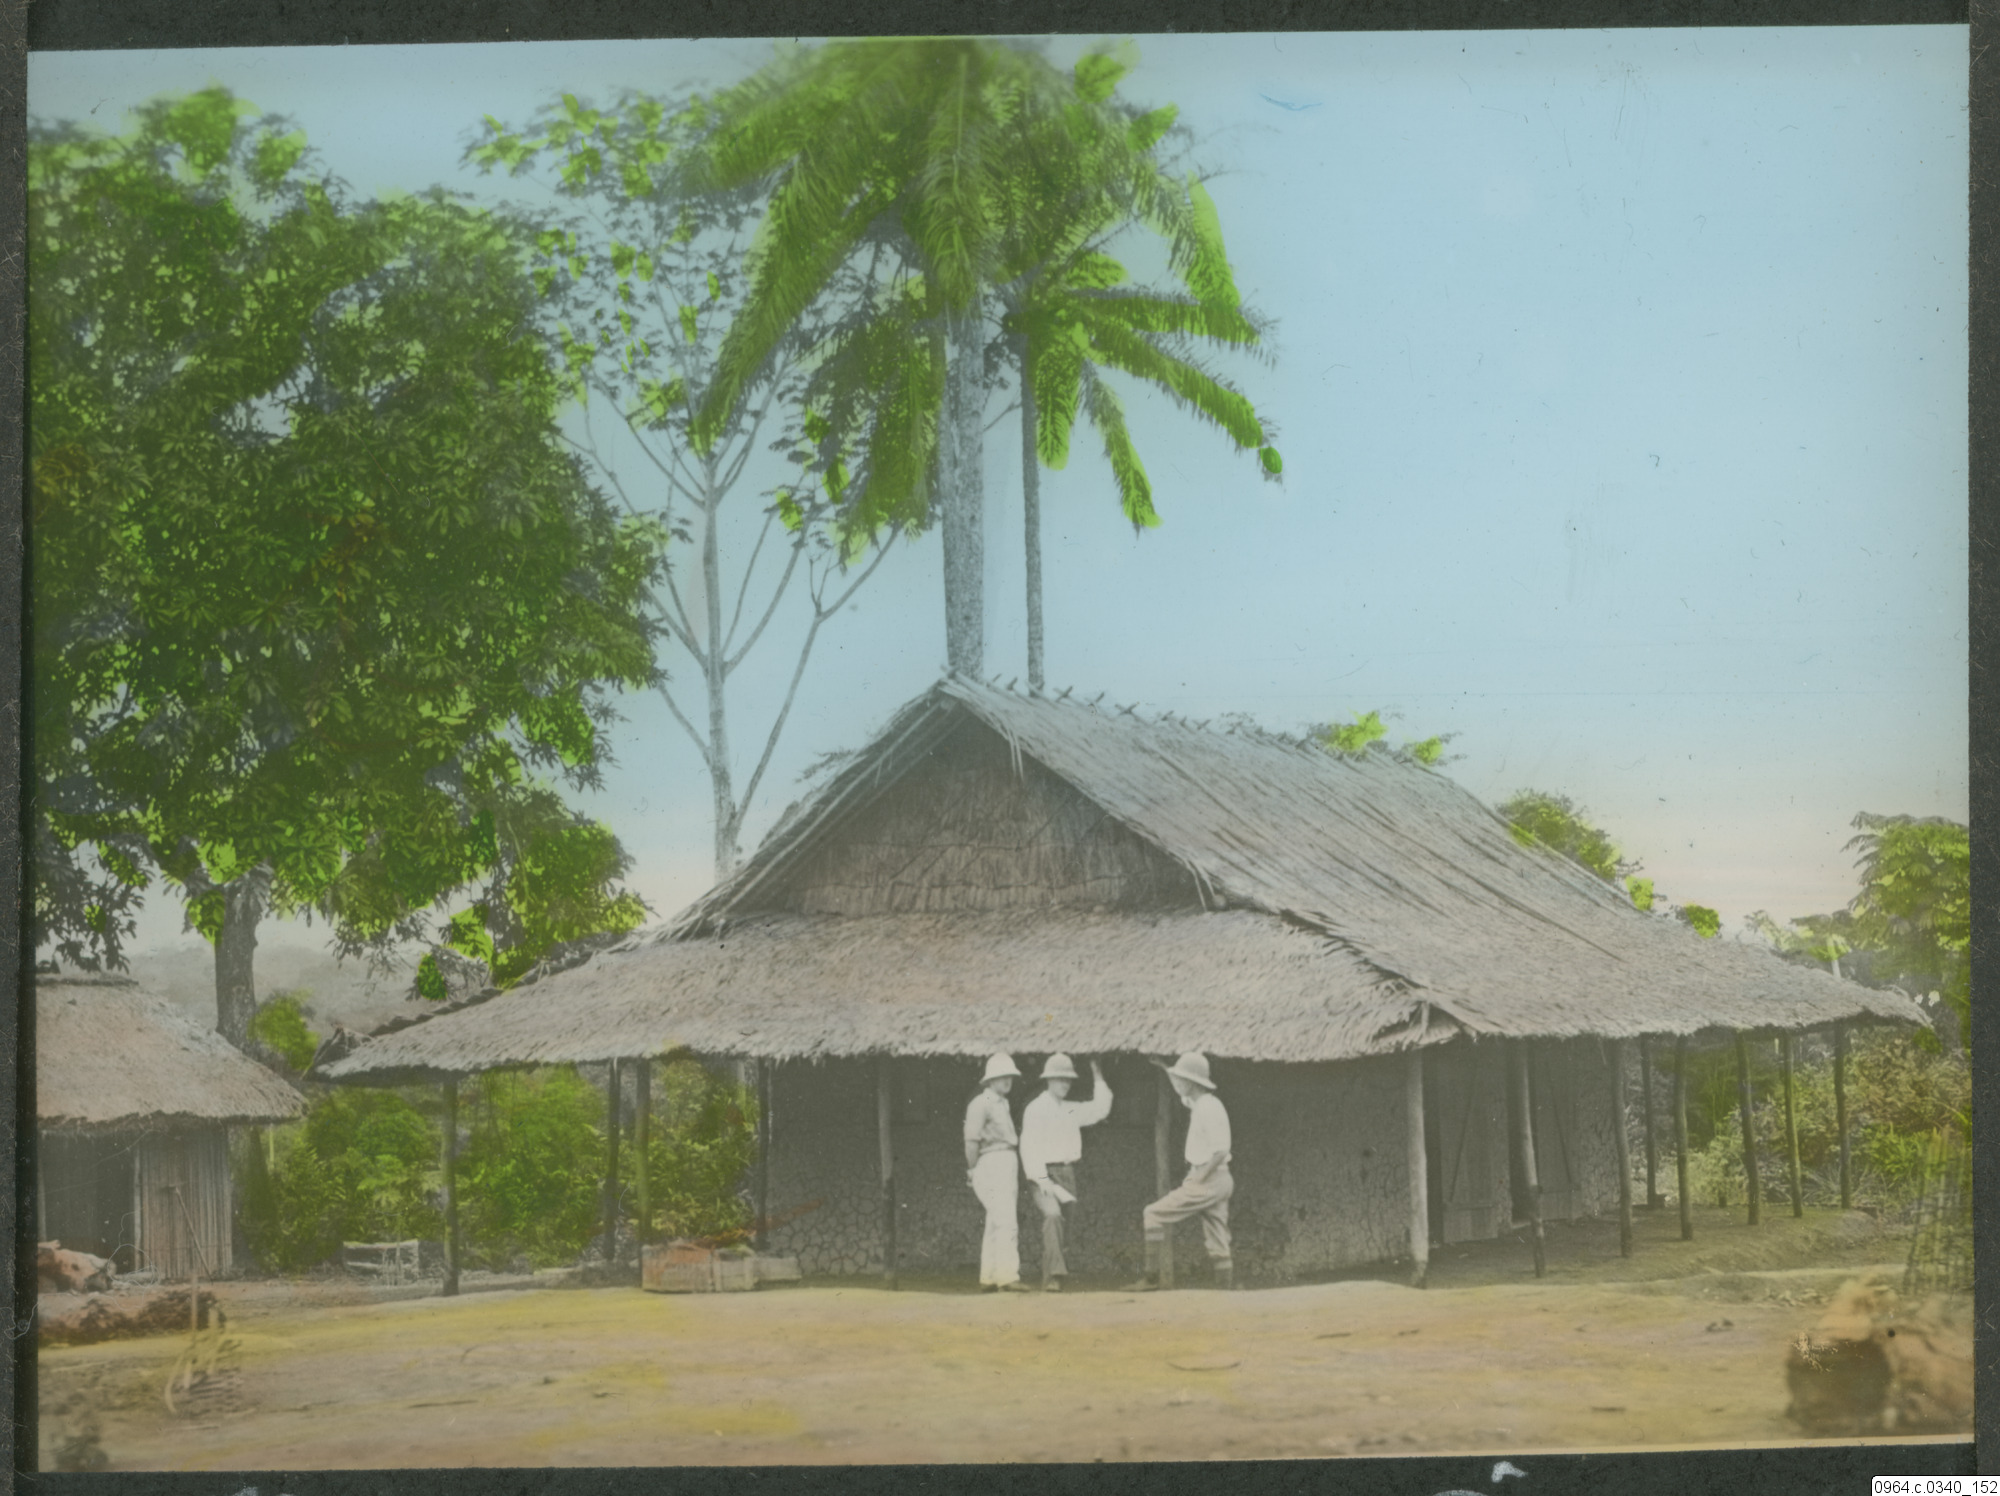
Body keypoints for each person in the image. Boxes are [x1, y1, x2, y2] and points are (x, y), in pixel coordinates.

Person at [1125, 1052, 1235, 1291]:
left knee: (1153, 1213)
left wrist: (1198, 1179)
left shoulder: (1208, 1108)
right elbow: (1180, 1091)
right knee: (1217, 1237)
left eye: (1183, 1079)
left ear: (1193, 1082)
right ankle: (1225, 1291)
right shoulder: (1202, 1102)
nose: (1179, 1083)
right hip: (1220, 1179)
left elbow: (1220, 1150)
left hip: (1209, 1179)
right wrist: (1166, 1068)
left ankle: (1151, 1279)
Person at [1018, 1054, 1113, 1292]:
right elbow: (1028, 1148)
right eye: (1060, 1079)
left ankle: (1050, 1279)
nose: (1064, 1084)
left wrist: (1097, 1074)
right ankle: (1054, 1277)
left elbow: (1100, 1109)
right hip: (1043, 1173)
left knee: (1065, 1229)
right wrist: (1042, 1179)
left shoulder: (1070, 1109)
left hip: (1067, 1174)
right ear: (1048, 1080)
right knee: (1052, 1215)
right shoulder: (1035, 1109)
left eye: (1068, 1080)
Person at [964, 1053, 1031, 1293]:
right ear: (990, 1080)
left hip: (1006, 1160)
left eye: (1009, 1076)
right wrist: (972, 1170)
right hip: (992, 1161)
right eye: (1001, 1076)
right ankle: (1007, 1276)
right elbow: (971, 1140)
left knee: (995, 1220)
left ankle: (990, 1277)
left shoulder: (1003, 1103)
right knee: (1006, 1220)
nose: (1007, 1080)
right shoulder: (981, 1103)